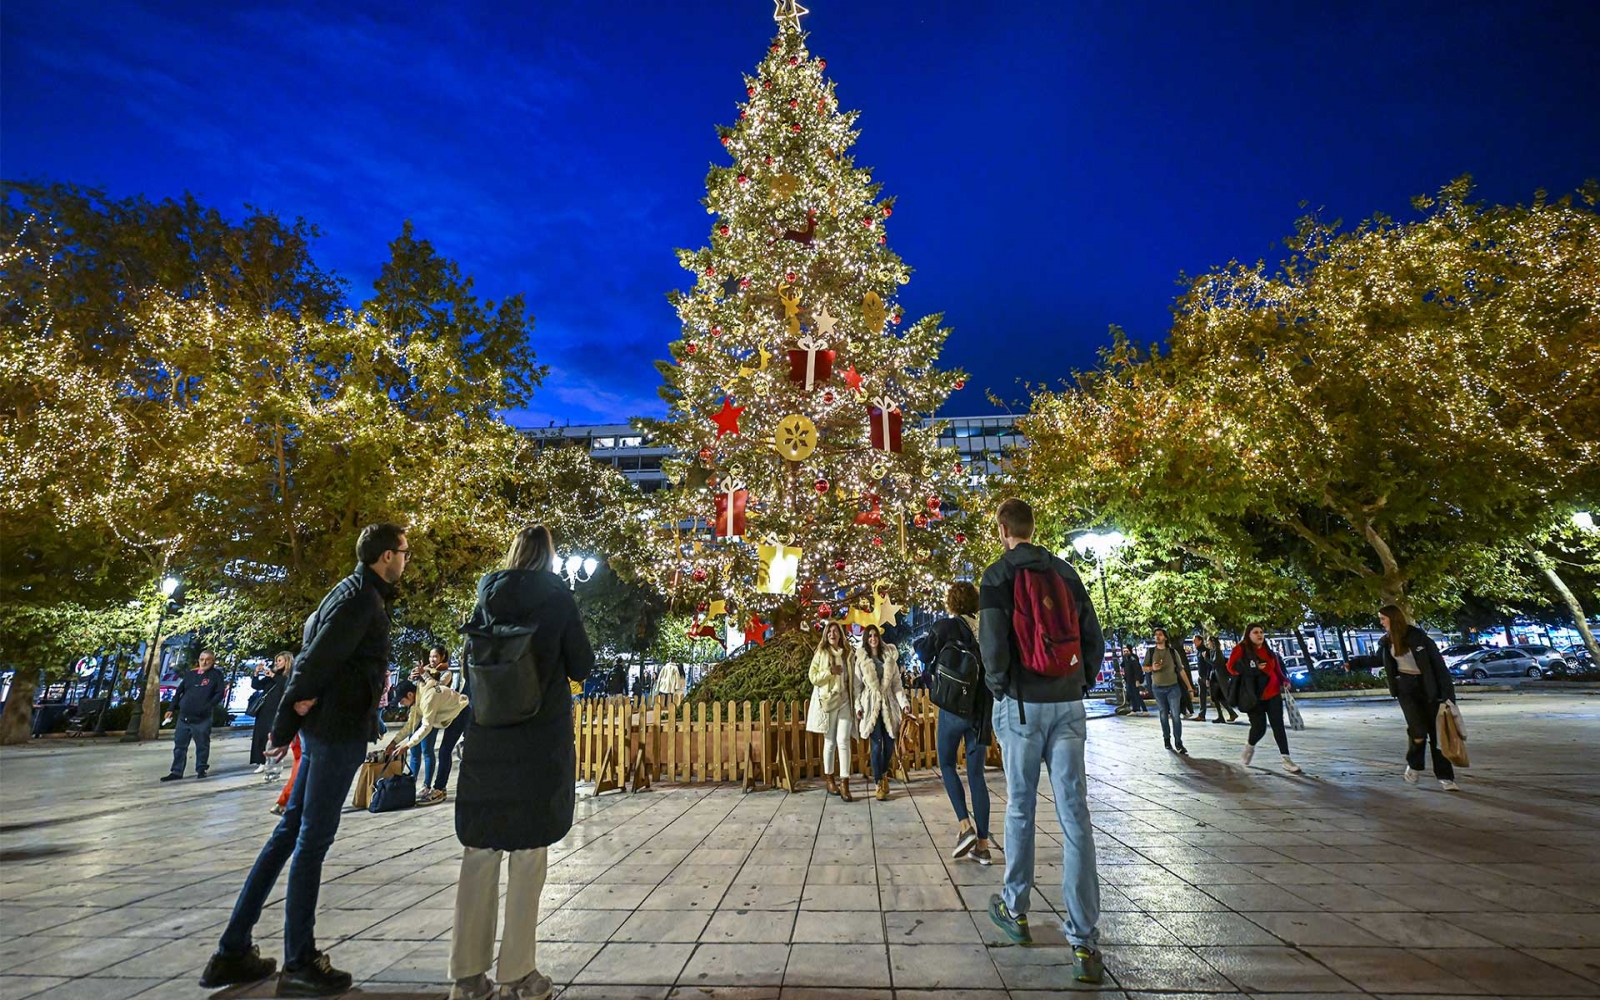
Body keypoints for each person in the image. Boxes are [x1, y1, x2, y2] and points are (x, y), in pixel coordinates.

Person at [200, 523, 409, 997]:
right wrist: (283, 723)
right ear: (383, 557)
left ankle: (233, 949)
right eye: (402, 553)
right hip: (336, 732)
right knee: (312, 840)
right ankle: (300, 960)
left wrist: (294, 718)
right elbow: (314, 660)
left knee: (290, 833)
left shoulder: (348, 591)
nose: (405, 561)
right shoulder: (361, 600)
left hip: (326, 728)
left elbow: (317, 649)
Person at [448, 524, 594, 1000]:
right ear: (549, 557)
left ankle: (467, 977)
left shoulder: (486, 595)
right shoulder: (556, 595)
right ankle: (518, 974)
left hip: (487, 738)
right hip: (536, 741)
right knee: (529, 853)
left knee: (480, 851)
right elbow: (582, 664)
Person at [979, 499, 1105, 985]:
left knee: (1021, 809)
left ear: (1003, 529)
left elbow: (993, 645)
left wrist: (1001, 686)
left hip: (1022, 704)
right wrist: (1078, 682)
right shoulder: (1067, 572)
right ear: (1033, 528)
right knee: (1076, 815)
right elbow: (1092, 637)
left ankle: (1016, 910)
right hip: (1068, 704)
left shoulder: (997, 576)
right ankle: (1084, 942)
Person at [914, 581, 996, 864]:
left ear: (952, 602)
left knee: (947, 763)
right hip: (981, 711)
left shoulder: (946, 626)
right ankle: (983, 846)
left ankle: (964, 826)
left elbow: (923, 653)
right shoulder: (986, 628)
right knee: (977, 777)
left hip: (954, 708)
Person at [1347, 605, 1459, 791]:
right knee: (1418, 731)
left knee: (1437, 734)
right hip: (1406, 689)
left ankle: (1445, 777)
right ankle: (1414, 765)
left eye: (1383, 618)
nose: (1381, 622)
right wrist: (1354, 663)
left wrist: (1448, 696)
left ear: (1393, 618)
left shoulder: (1419, 638)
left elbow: (1439, 667)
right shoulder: (1386, 642)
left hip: (1429, 688)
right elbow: (1378, 660)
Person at [1226, 624, 1302, 774]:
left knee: (1278, 725)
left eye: (1261, 632)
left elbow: (1277, 670)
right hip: (1254, 696)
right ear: (1248, 634)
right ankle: (1249, 747)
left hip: (1273, 694)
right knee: (1259, 728)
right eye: (1255, 632)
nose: (1259, 635)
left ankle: (1286, 759)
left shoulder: (1268, 651)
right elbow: (1231, 667)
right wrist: (1253, 669)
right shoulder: (1241, 649)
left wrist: (1284, 681)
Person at [854, 624, 908, 802]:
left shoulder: (889, 658)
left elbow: (897, 685)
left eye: (875, 635)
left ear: (879, 637)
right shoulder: (861, 660)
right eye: (869, 636)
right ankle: (878, 783)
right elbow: (857, 687)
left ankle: (884, 773)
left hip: (888, 704)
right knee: (876, 745)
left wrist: (904, 704)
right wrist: (858, 707)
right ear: (866, 639)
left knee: (890, 742)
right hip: (870, 704)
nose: (872, 639)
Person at [806, 621, 856, 801]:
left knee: (843, 741)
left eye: (836, 631)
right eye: (830, 631)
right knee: (830, 742)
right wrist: (830, 671)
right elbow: (813, 677)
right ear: (826, 635)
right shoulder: (821, 653)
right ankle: (829, 778)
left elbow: (853, 678)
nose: (833, 634)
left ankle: (845, 782)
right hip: (828, 702)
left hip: (844, 701)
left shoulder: (848, 654)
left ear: (841, 634)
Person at [161, 650, 227, 781]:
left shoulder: (216, 675)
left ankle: (201, 768)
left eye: (208, 659)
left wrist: (208, 706)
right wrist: (171, 708)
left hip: (202, 718)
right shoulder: (191, 674)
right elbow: (179, 691)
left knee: (202, 744)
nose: (204, 662)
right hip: (184, 717)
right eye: (202, 659)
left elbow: (219, 693)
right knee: (179, 745)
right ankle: (176, 771)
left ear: (212, 661)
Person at [1143, 628, 1195, 754]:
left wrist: (1190, 688)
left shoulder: (1172, 652)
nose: (1157, 637)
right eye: (1155, 635)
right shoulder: (1150, 651)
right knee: (1163, 714)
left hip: (1173, 687)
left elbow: (1181, 670)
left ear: (1165, 637)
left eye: (1160, 635)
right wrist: (1152, 668)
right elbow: (1144, 668)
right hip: (1158, 688)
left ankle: (1178, 742)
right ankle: (1167, 739)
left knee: (1176, 715)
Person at [432, 648, 472, 800]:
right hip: (460, 710)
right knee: (444, 750)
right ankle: (439, 787)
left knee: (471, 753)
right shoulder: (467, 671)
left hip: (475, 713)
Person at [250, 652, 293, 773]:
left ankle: (272, 762)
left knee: (272, 737)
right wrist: (256, 673)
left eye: (280, 660)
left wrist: (273, 675)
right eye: (276, 660)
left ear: (287, 661)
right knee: (260, 735)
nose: (277, 663)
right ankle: (260, 761)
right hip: (264, 709)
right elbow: (256, 686)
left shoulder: (288, 675)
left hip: (277, 710)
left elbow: (285, 685)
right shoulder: (272, 675)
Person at [1208, 636, 1239, 723]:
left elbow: (1215, 664)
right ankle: (1229, 713)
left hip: (1218, 678)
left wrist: (1205, 659)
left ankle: (1226, 714)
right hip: (1216, 677)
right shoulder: (1213, 651)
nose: (1208, 643)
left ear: (1212, 642)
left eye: (1208, 642)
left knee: (1218, 697)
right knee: (1218, 698)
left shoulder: (1217, 651)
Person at [1118, 645, 1146, 714]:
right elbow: (1123, 665)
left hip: (1133, 680)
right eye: (1124, 651)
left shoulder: (1133, 659)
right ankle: (1135, 709)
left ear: (1130, 651)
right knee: (1131, 695)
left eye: (1127, 651)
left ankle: (1144, 710)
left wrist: (1137, 680)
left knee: (1137, 695)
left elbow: (1137, 670)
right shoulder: (1125, 658)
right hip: (1128, 680)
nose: (1125, 653)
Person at [1190, 634, 1212, 722]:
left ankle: (1231, 712)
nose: (1193, 642)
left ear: (1200, 641)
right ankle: (1202, 715)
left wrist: (1207, 678)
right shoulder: (1198, 651)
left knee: (1215, 696)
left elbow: (1208, 666)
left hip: (1205, 677)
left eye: (1195, 640)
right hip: (1201, 676)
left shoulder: (1205, 651)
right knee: (1202, 696)